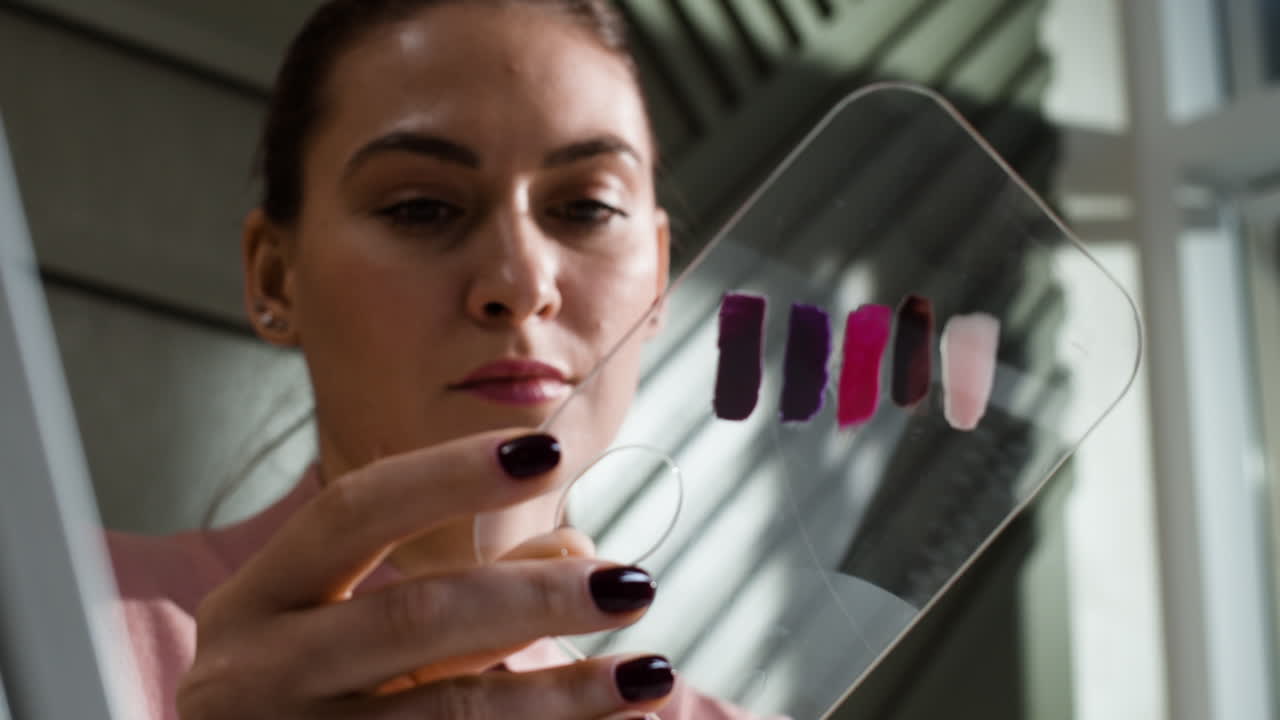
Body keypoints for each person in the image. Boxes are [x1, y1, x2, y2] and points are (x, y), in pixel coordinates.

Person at [106, 1, 779, 718]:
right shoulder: (55, 612)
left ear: (659, 278)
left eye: (588, 208)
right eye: (419, 207)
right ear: (275, 276)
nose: (521, 285)